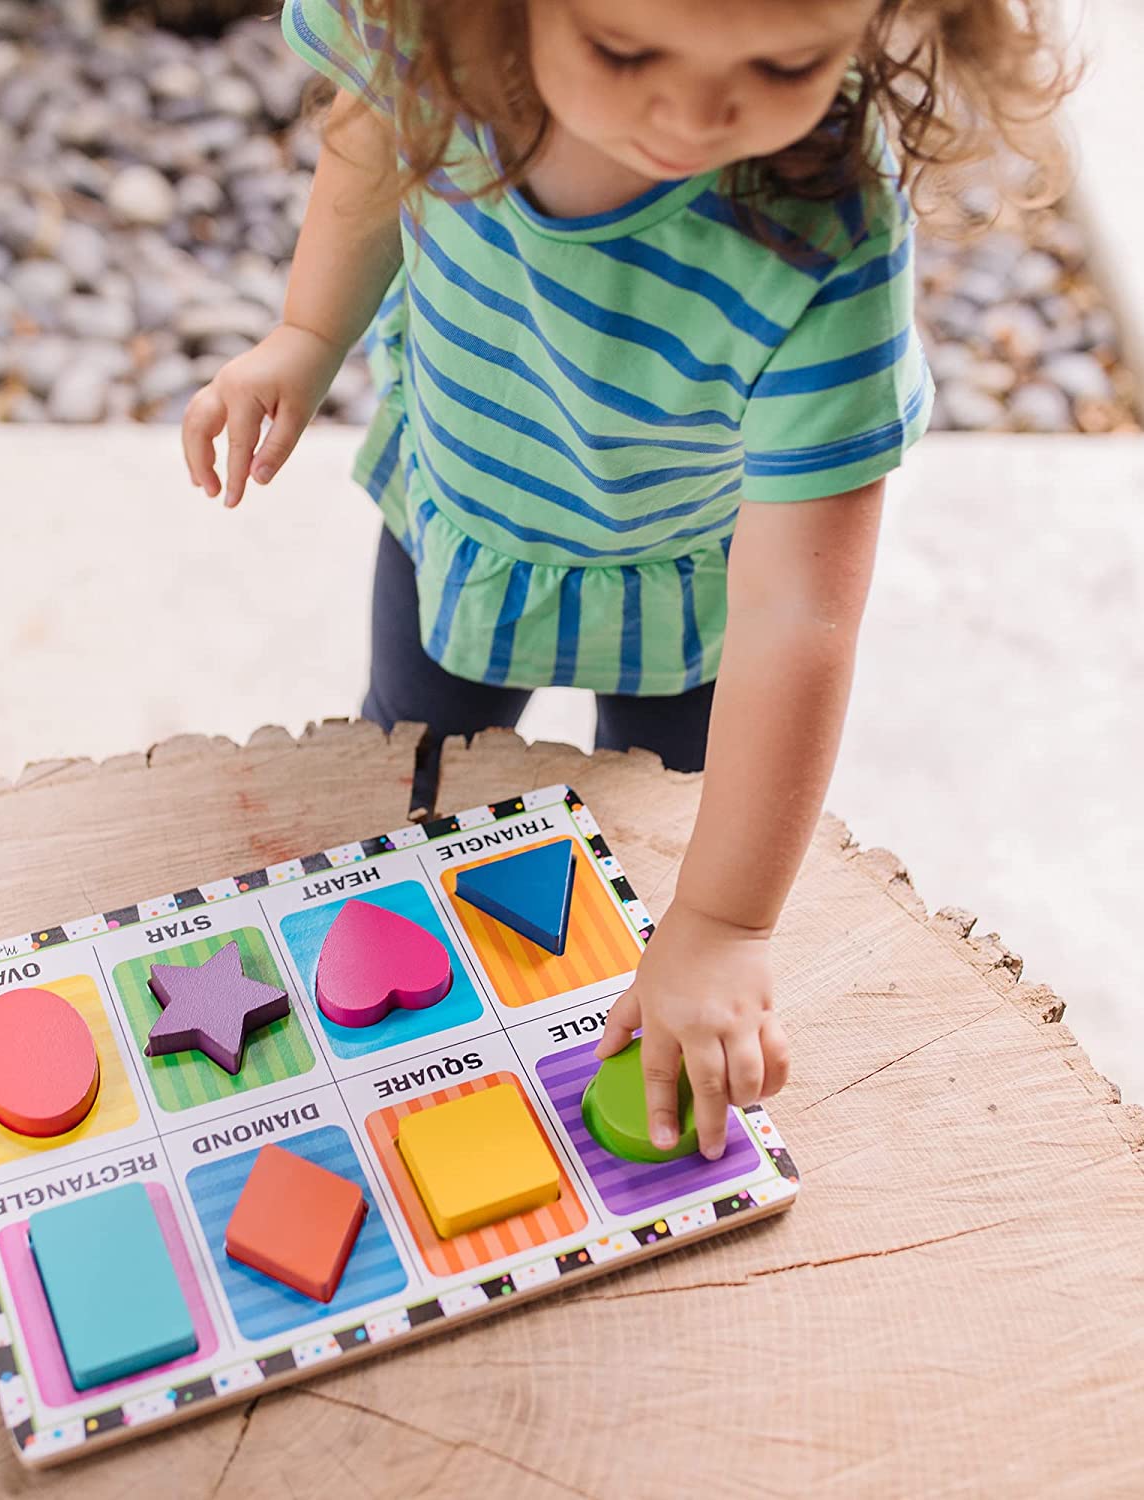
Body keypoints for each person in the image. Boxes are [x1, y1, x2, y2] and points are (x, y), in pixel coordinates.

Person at [179, 0, 1074, 1158]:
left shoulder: (830, 228)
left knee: (661, 836)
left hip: (690, 605)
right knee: (408, 771)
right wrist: (308, 333)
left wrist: (725, 924)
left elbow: (798, 609)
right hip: (465, 529)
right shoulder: (428, 34)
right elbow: (373, 136)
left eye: (786, 62)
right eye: (623, 50)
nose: (696, 114)